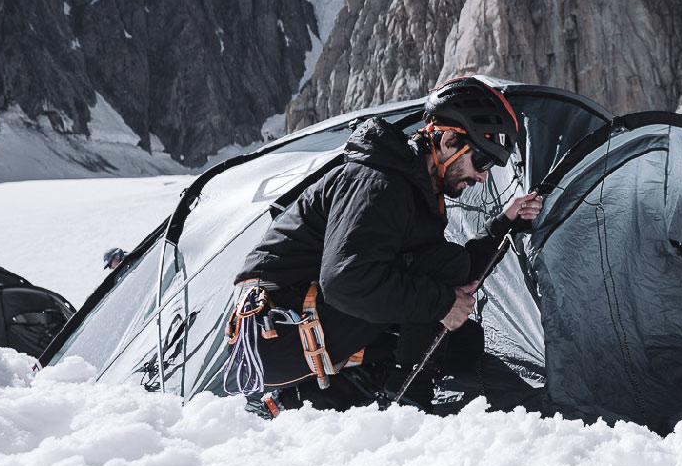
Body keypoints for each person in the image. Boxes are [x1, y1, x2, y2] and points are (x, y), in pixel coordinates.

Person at [226, 76, 544, 412]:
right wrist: (441, 303)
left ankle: (312, 397)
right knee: (439, 279)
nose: (482, 176)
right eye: (481, 162)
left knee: (461, 341)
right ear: (449, 140)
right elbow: (345, 281)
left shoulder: (412, 188)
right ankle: (406, 402)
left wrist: (507, 222)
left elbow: (460, 273)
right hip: (270, 333)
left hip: (300, 324)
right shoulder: (380, 182)